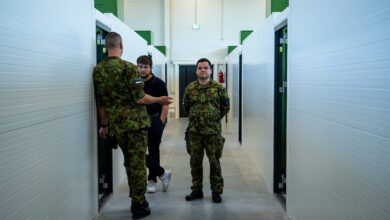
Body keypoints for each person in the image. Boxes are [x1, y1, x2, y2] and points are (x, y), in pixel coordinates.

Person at [93, 32, 172, 218]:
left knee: (130, 162)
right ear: (121, 45)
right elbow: (140, 98)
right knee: (136, 164)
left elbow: (101, 104)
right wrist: (159, 99)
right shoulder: (130, 69)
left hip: (117, 126)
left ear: (105, 47)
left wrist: (104, 126)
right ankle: (139, 204)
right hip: (135, 125)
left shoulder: (98, 71)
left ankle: (136, 196)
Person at [183, 58, 230, 203]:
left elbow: (225, 107)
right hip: (194, 133)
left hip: (213, 133)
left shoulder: (218, 88)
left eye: (205, 68)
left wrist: (214, 119)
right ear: (196, 70)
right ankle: (196, 190)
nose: (203, 70)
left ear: (210, 70)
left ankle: (216, 191)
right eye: (200, 68)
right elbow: (187, 108)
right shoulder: (190, 88)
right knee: (195, 163)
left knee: (214, 162)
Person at [136, 55, 172, 193]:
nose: (143, 69)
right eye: (140, 66)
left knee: (153, 149)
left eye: (145, 67)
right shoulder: (136, 82)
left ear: (151, 68)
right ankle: (162, 173)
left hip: (155, 119)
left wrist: (161, 121)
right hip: (139, 121)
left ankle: (151, 180)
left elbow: (165, 104)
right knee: (139, 150)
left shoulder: (159, 83)